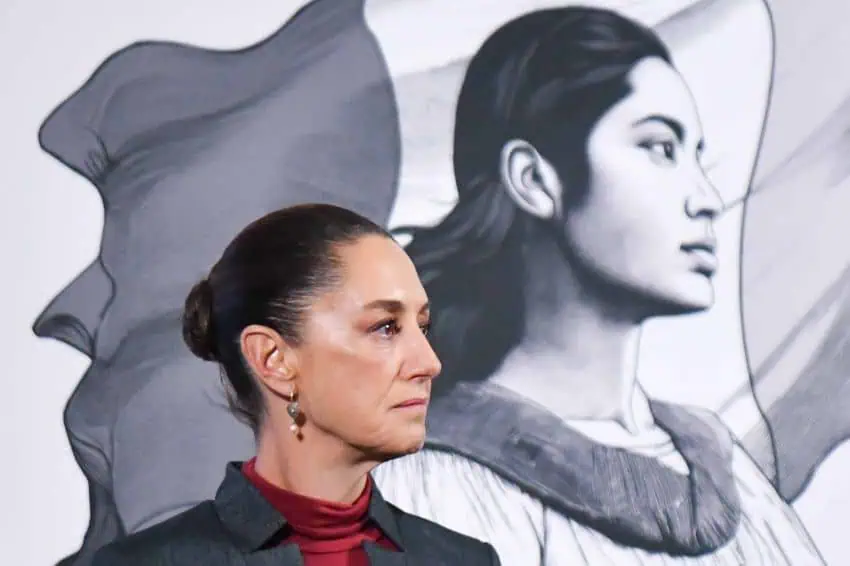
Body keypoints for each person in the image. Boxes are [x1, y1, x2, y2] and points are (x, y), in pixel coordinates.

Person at [373, 7, 825, 565]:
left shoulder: (723, 468)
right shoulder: (434, 485)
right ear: (535, 180)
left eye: (695, 157)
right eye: (660, 148)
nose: (706, 197)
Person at [90, 203, 500, 565]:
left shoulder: (464, 560)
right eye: (385, 327)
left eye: (422, 327)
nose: (429, 363)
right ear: (274, 360)